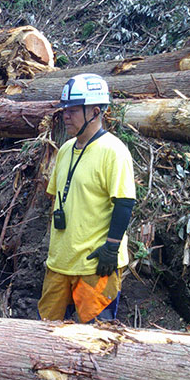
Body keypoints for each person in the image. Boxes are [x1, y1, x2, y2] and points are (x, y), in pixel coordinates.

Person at [38, 73, 136, 323]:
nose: (65, 115)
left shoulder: (114, 152)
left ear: (94, 111)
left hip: (95, 266)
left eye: (72, 110)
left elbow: (124, 202)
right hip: (60, 263)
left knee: (94, 341)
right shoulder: (66, 150)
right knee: (46, 335)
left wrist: (112, 248)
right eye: (64, 110)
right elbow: (56, 197)